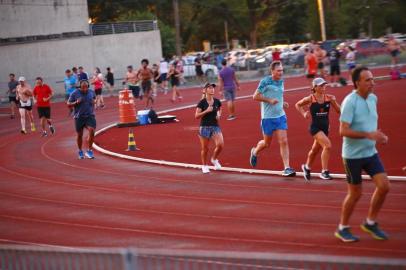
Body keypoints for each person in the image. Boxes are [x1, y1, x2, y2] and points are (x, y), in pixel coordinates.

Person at [335, 66, 390, 242]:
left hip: (370, 152)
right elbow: (342, 131)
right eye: (368, 80)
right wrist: (368, 134)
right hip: (352, 156)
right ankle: (343, 227)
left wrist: (379, 135)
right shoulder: (350, 102)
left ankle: (370, 222)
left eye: (372, 79)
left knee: (384, 186)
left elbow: (370, 125)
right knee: (356, 193)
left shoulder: (373, 98)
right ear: (357, 83)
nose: (372, 83)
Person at [249, 61, 296, 177]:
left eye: (282, 70)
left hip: (280, 115)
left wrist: (282, 103)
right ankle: (254, 151)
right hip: (268, 118)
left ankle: (287, 167)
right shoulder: (265, 81)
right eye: (278, 70)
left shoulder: (281, 81)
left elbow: (278, 95)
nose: (281, 72)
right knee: (266, 143)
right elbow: (255, 96)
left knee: (284, 141)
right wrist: (269, 101)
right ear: (272, 71)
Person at [295, 77, 341, 181]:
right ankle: (324, 171)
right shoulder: (310, 99)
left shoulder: (329, 98)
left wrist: (335, 101)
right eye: (321, 85)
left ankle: (306, 167)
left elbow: (339, 110)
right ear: (314, 87)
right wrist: (303, 113)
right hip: (315, 128)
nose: (323, 87)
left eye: (324, 85)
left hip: (325, 129)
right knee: (328, 146)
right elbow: (297, 104)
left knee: (315, 150)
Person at [195, 82, 224, 174]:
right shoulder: (202, 103)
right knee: (205, 148)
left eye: (213, 88)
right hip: (204, 127)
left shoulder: (217, 101)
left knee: (220, 144)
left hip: (215, 126)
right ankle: (204, 165)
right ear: (205, 90)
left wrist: (219, 114)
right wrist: (206, 111)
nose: (212, 89)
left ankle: (214, 159)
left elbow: (220, 108)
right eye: (210, 88)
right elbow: (196, 116)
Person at [67, 80, 97, 159]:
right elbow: (68, 104)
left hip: (90, 116)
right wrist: (76, 102)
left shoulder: (91, 92)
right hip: (79, 117)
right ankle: (80, 151)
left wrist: (94, 101)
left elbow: (95, 99)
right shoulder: (75, 93)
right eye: (83, 87)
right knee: (80, 135)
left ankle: (89, 151)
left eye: (86, 87)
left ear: (88, 86)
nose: (85, 89)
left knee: (92, 130)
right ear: (80, 87)